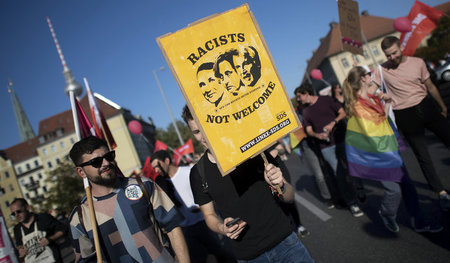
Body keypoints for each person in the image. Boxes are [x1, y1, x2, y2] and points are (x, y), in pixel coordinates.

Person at [181, 105, 314, 263]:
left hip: (286, 244)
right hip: (249, 257)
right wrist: (222, 228)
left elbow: (289, 197)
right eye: (196, 132)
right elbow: (209, 216)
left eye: (205, 127)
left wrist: (281, 185)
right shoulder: (198, 173)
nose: (203, 136)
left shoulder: (253, 150)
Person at [343, 66, 443, 233]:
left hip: (388, 147)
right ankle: (387, 212)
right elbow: (369, 133)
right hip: (375, 154)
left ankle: (419, 221)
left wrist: (387, 103)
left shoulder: (372, 98)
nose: (371, 77)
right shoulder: (357, 106)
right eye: (368, 75)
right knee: (393, 190)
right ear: (363, 79)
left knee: (407, 185)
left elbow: (382, 120)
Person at [68, 136, 189, 263]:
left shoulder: (143, 186)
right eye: (96, 162)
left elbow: (173, 227)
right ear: (81, 172)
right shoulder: (80, 217)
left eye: (109, 156)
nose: (106, 163)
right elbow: (85, 259)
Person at [373, 36, 450, 211]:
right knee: (423, 156)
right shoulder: (381, 70)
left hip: (426, 107)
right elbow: (369, 87)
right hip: (405, 115)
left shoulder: (418, 62)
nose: (392, 58)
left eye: (394, 53)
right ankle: (441, 193)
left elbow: (430, 86)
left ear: (400, 48)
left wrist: (443, 107)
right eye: (388, 55)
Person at [151, 150, 236, 263]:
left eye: (158, 166)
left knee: (222, 253)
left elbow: (206, 194)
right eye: (154, 168)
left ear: (167, 160)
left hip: (204, 223)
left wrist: (201, 207)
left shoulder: (188, 172)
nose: (156, 170)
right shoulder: (161, 183)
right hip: (185, 229)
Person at [297, 84, 364, 217]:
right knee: (339, 174)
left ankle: (359, 189)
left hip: (341, 140)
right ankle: (352, 203)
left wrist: (333, 122)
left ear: (306, 93)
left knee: (353, 168)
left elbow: (342, 112)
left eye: (299, 96)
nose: (298, 100)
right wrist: (317, 135)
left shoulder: (326, 99)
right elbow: (308, 130)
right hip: (325, 147)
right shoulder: (306, 112)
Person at [11, 198, 65, 263]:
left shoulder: (43, 218)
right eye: (13, 214)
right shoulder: (17, 229)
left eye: (18, 211)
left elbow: (63, 229)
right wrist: (20, 250)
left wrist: (50, 239)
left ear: (27, 207)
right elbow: (19, 245)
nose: (16, 215)